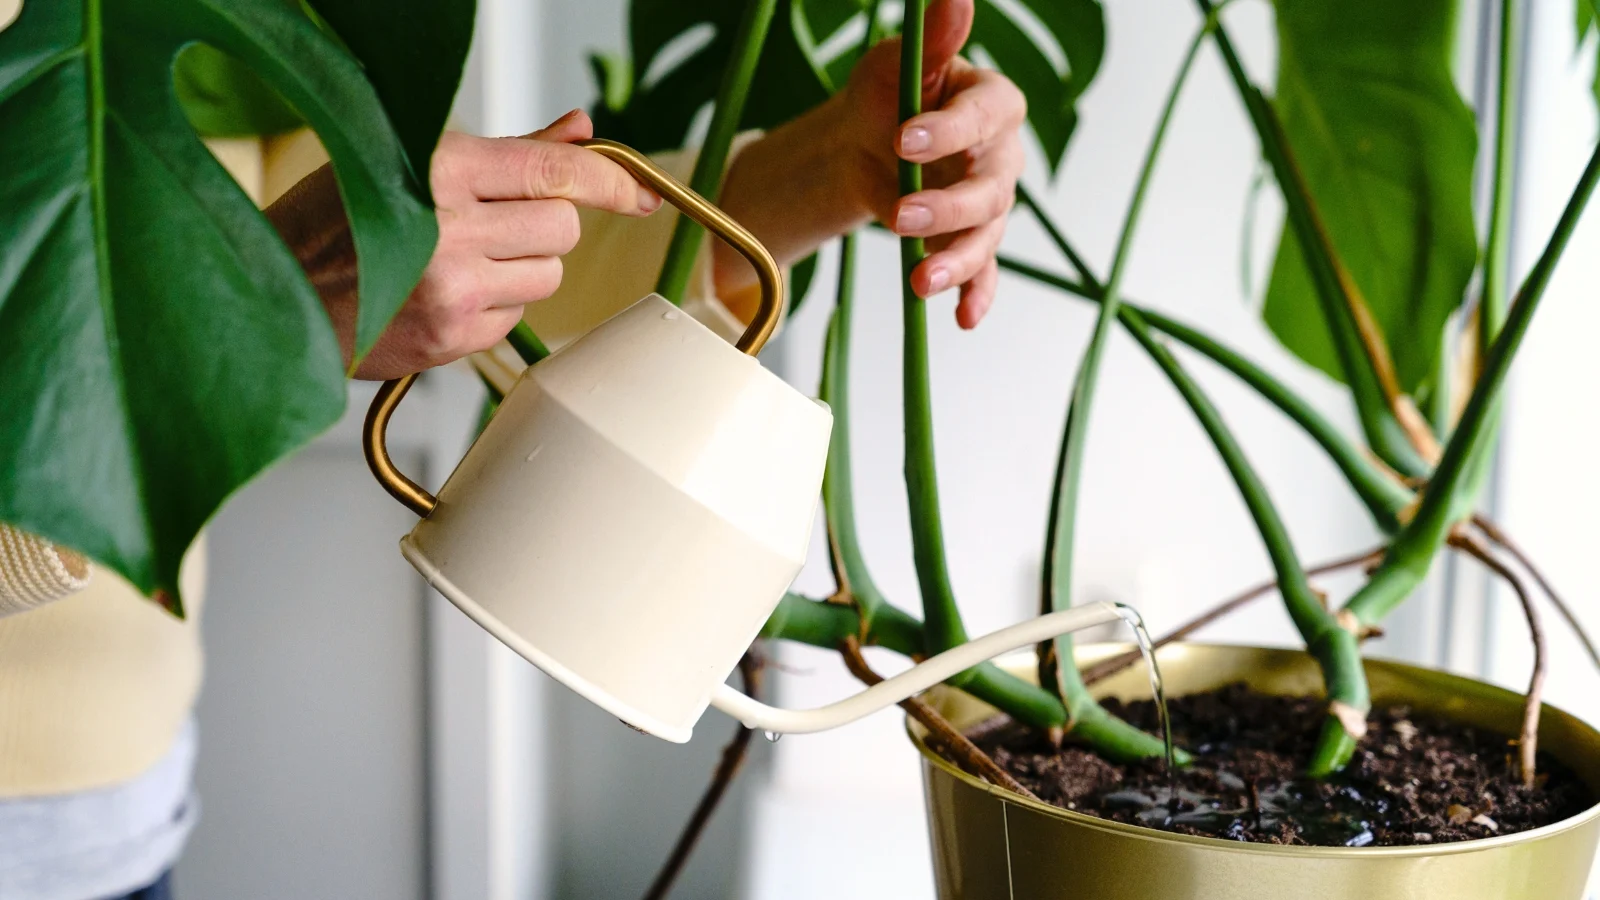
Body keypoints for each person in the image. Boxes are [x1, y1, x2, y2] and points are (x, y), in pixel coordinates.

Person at [0, 1, 1024, 897]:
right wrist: (247, 312)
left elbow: (444, 247)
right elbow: (270, 272)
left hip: (119, 811)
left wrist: (825, 168)